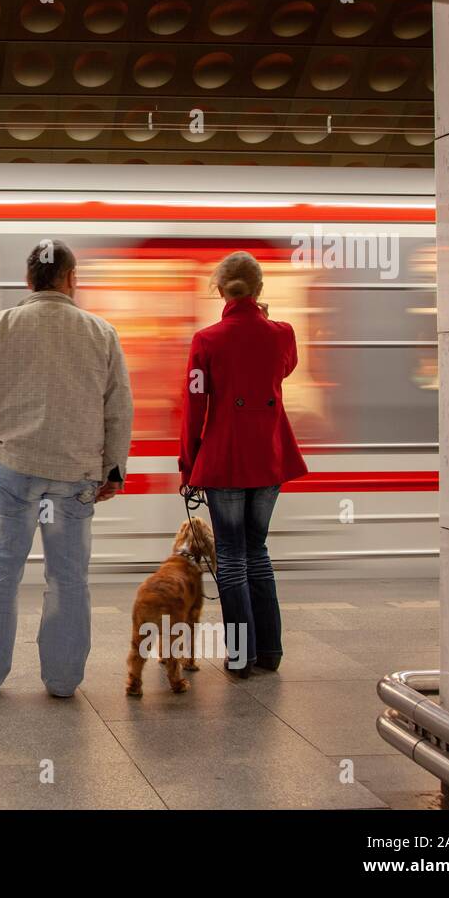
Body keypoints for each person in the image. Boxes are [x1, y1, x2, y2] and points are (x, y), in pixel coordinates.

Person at [0, 240, 133, 697]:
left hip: (13, 469)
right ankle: (61, 681)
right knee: (68, 579)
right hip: (76, 475)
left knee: (0, 573)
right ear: (72, 279)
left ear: (28, 279)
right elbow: (118, 408)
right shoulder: (101, 332)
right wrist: (112, 468)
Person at [178, 251, 308, 678]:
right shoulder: (282, 334)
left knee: (231, 558)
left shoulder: (207, 340)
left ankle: (240, 656)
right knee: (258, 551)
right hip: (269, 456)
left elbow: (195, 407)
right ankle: (270, 652)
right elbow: (283, 370)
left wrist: (188, 465)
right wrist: (265, 323)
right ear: (259, 290)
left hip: (225, 458)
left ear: (220, 290)